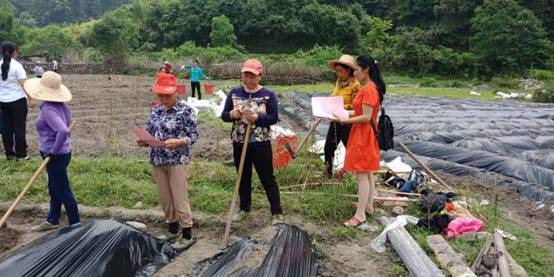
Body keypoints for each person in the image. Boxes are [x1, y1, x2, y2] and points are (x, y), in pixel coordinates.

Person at [138, 72, 198, 249]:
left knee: (180, 197)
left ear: (175, 92)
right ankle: (172, 229)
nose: (164, 99)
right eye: (160, 95)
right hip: (158, 158)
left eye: (167, 95)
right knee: (165, 197)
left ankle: (187, 233)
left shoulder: (186, 110)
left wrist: (179, 141)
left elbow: (193, 135)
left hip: (177, 159)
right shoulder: (155, 109)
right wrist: (143, 140)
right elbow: (149, 130)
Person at [221, 59, 283, 225]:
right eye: (245, 75)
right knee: (243, 175)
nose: (248, 79)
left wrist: (257, 118)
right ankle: (244, 208)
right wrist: (232, 114)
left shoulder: (268, 95)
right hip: (240, 142)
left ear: (259, 76)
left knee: (267, 176)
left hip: (260, 143)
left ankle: (276, 211)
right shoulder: (234, 93)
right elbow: (224, 115)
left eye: (252, 76)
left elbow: (274, 118)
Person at [332, 55, 386, 227]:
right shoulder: (369, 87)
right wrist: (345, 113)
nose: (354, 73)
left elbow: (366, 117)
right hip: (363, 132)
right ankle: (368, 206)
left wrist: (344, 120)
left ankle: (360, 214)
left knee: (361, 175)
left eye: (356, 69)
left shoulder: (369, 89)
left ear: (366, 69)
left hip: (364, 134)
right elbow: (360, 111)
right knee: (367, 172)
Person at [24, 71, 80, 231]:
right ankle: (52, 219)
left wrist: (53, 151)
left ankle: (75, 225)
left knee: (62, 189)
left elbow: (63, 130)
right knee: (54, 186)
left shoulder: (49, 109)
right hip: (62, 152)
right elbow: (68, 125)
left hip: (55, 155)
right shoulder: (62, 106)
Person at [324, 55, 361, 177]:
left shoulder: (355, 85)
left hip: (348, 122)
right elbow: (335, 95)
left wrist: (343, 106)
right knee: (329, 147)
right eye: (337, 71)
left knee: (349, 148)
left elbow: (357, 106)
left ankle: (353, 172)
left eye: (341, 71)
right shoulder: (338, 82)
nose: (338, 74)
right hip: (335, 119)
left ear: (349, 70)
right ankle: (328, 172)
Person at [0, 41, 30, 160]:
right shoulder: (17, 66)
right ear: (14, 52)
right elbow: (24, 84)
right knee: (19, 128)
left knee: (5, 128)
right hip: (18, 101)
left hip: (2, 102)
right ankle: (21, 155)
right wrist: (31, 98)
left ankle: (9, 154)